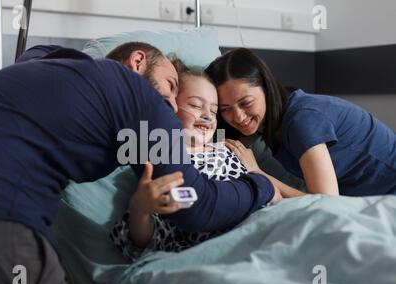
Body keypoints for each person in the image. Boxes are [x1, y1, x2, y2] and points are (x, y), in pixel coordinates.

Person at [0, 43, 279, 284]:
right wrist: (259, 186)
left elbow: (38, 52)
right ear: (137, 62)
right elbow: (196, 205)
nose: (171, 103)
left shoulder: (63, 72)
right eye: (172, 85)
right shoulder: (140, 97)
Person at [110, 60, 302, 261]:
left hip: (275, 226)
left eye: (214, 110)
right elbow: (144, 241)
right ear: (168, 109)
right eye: (195, 105)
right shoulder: (164, 161)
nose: (207, 116)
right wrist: (140, 209)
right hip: (224, 247)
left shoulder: (230, 148)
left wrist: (261, 176)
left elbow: (274, 194)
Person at [205, 48, 396, 196]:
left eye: (245, 103)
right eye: (226, 109)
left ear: (266, 88)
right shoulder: (267, 121)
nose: (238, 116)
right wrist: (179, 143)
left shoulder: (302, 121)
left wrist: (261, 175)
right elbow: (218, 146)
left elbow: (326, 200)